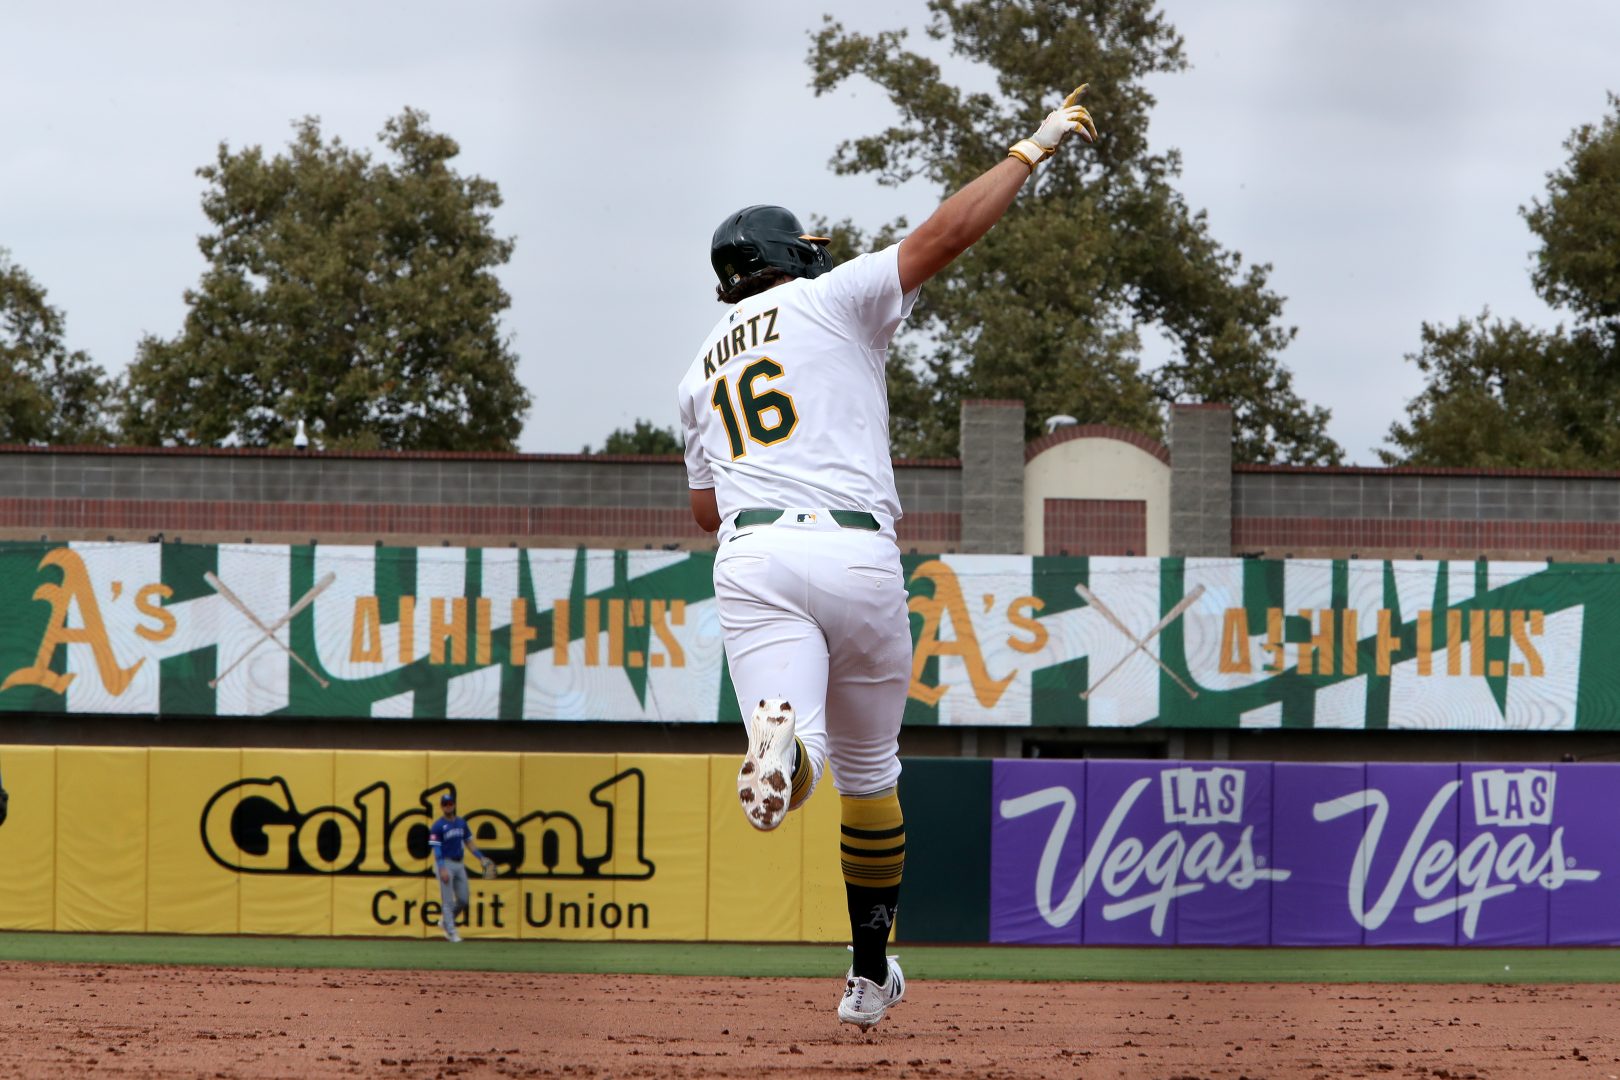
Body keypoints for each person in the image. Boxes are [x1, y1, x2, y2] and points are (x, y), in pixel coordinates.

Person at [676, 84, 1099, 1030]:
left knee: (806, 763)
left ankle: (785, 745)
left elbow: (706, 509)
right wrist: (1030, 149)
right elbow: (946, 232)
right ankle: (868, 980)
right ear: (791, 260)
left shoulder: (699, 366)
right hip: (859, 551)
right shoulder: (829, 297)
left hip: (754, 554)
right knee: (872, 774)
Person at [427, 790, 491, 943]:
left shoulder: (461, 823)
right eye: (445, 804)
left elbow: (469, 842)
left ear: (454, 805)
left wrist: (481, 858)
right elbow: (436, 849)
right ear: (442, 807)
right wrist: (441, 868)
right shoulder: (437, 826)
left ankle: (445, 922)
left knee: (463, 899)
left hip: (459, 863)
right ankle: (451, 932)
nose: (448, 806)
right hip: (445, 863)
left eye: (450, 804)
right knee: (448, 901)